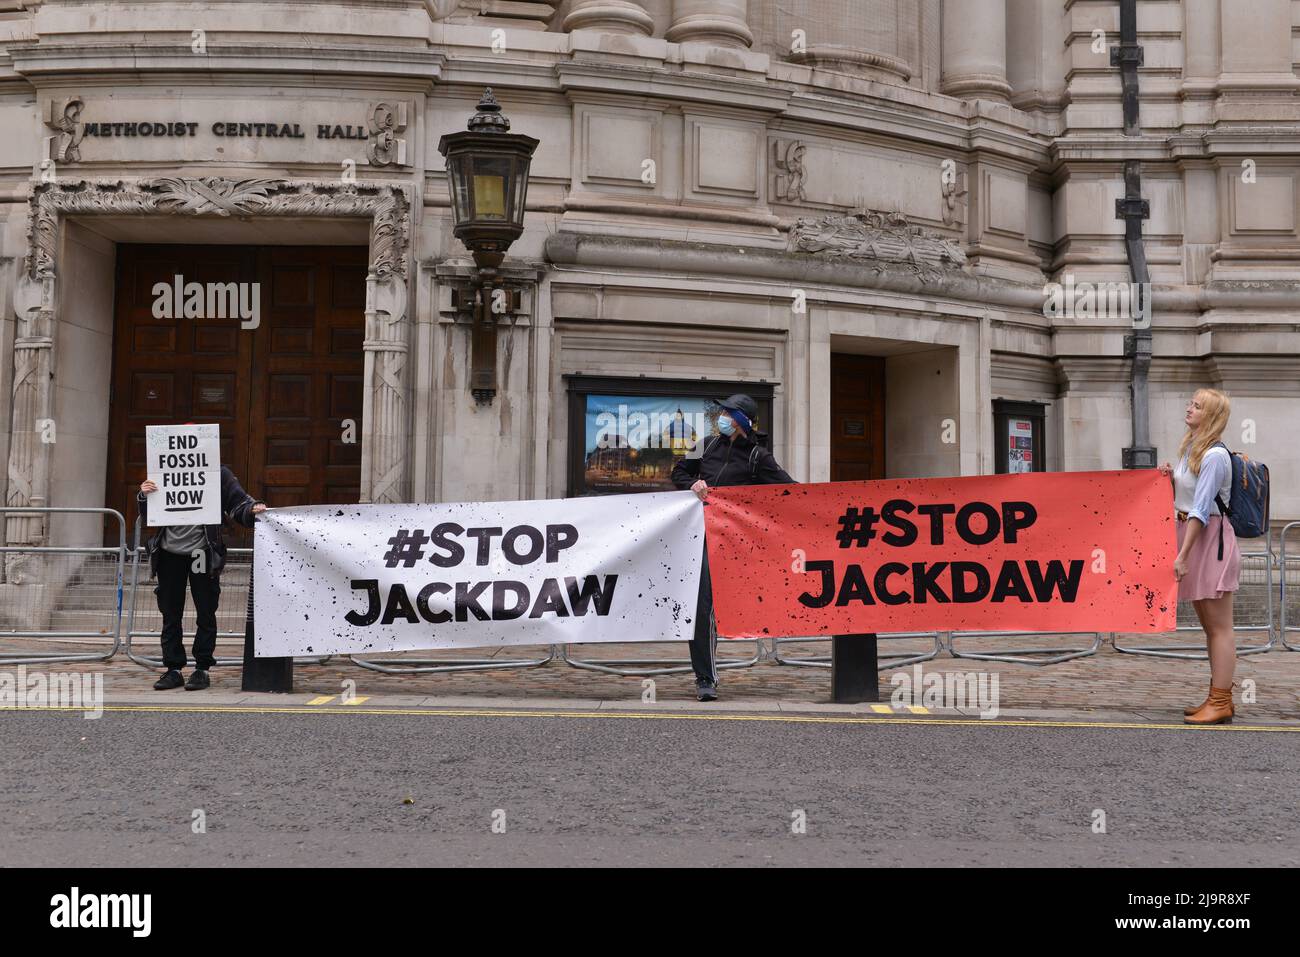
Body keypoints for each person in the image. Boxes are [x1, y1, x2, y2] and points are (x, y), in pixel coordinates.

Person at [671, 394, 795, 701]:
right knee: (702, 606)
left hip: (739, 544)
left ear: (741, 421)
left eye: (727, 413)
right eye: (721, 412)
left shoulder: (758, 457)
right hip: (703, 537)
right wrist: (692, 484)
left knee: (728, 606)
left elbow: (791, 492)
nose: (721, 417)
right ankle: (705, 679)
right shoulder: (706, 445)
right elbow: (678, 471)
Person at [138, 464, 266, 690]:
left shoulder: (218, 473)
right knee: (170, 612)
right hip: (169, 553)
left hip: (200, 552)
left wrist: (252, 509)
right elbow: (150, 515)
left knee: (205, 610)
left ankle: (202, 668)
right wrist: (144, 495)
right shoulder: (163, 472)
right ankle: (173, 668)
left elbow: (237, 501)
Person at [1158, 388, 1240, 724]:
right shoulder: (1193, 448)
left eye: (1197, 406)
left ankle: (1220, 701)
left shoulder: (1214, 456)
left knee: (1220, 627)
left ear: (1212, 416)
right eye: (1190, 403)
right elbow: (1186, 498)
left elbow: (1201, 510)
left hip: (1210, 541)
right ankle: (1218, 697)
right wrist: (1168, 477)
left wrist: (1183, 554)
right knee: (1210, 626)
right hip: (1197, 537)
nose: (1189, 408)